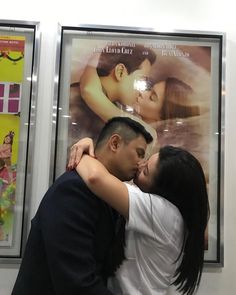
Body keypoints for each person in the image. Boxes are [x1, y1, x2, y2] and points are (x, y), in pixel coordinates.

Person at [12, 117, 153, 295]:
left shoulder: (108, 195)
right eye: (139, 153)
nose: (140, 163)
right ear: (115, 143)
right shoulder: (73, 189)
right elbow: (77, 283)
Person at [70, 139, 210, 295]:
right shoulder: (175, 216)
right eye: (146, 160)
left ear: (162, 190)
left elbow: (94, 178)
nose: (139, 165)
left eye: (146, 171)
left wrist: (82, 152)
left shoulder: (161, 212)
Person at [69, 44, 156, 144]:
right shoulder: (75, 102)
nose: (142, 91)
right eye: (142, 80)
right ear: (120, 72)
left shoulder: (115, 105)